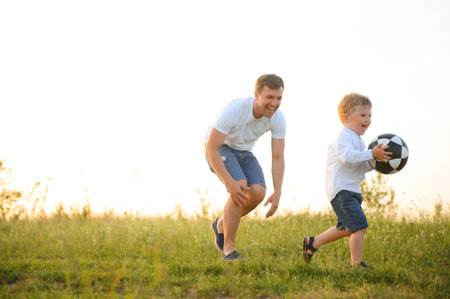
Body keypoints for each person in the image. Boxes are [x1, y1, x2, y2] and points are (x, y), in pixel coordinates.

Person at [302, 92, 391, 269]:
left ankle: (312, 242)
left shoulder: (358, 140)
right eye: (363, 115)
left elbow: (360, 165)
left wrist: (375, 162)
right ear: (345, 117)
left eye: (370, 115)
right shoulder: (343, 136)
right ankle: (357, 265)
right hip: (341, 190)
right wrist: (371, 153)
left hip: (353, 190)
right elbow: (348, 158)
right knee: (359, 226)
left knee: (346, 228)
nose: (368, 119)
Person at [205, 74, 286, 260]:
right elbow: (211, 149)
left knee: (257, 192)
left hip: (244, 151)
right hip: (219, 148)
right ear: (256, 95)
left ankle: (220, 225)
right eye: (269, 97)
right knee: (240, 186)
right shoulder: (236, 110)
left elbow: (278, 156)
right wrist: (229, 182)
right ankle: (229, 249)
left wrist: (278, 192)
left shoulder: (277, 118)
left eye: (278, 98)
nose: (274, 103)